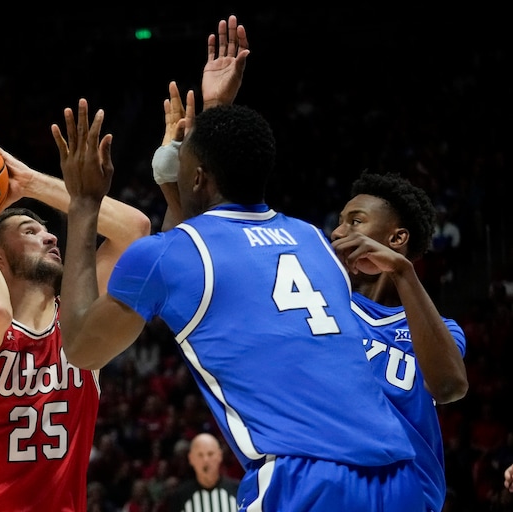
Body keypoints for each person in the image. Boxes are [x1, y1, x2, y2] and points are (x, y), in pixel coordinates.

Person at [55, 40, 424, 512]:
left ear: (198, 178)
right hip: (399, 476)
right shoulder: (314, 239)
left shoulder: (170, 256)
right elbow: (199, 248)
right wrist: (212, 115)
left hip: (306, 479)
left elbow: (83, 350)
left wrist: (85, 203)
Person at [0, 110, 150, 510]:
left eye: (45, 229)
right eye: (30, 232)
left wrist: (31, 183)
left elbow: (135, 230)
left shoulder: (80, 321)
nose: (51, 235)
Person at [330, 170, 469, 512]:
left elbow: (449, 386)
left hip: (407, 492)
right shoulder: (320, 304)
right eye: (339, 221)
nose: (338, 231)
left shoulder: (439, 328)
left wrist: (402, 271)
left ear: (396, 239)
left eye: (355, 221)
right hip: (331, 484)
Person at [163, 432, 238, 512]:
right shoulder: (180, 497)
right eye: (200, 455)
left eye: (210, 454)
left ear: (219, 456)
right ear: (191, 458)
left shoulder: (237, 491)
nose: (206, 460)